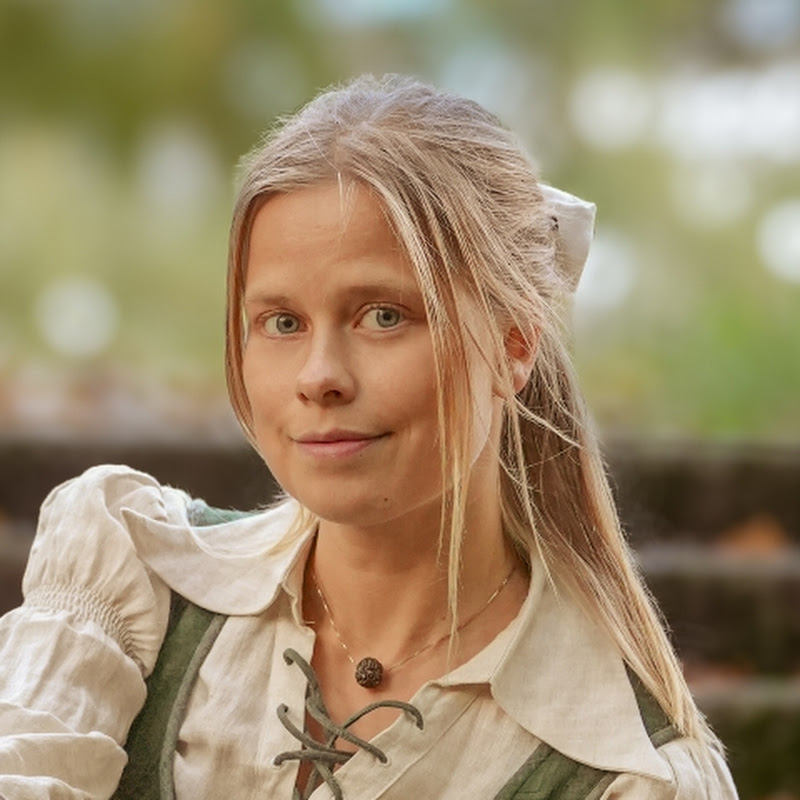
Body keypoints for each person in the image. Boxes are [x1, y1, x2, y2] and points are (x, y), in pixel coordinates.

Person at [0, 74, 737, 799]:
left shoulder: (629, 775)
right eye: (282, 322)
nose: (319, 376)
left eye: (384, 316)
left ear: (514, 344)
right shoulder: (132, 580)